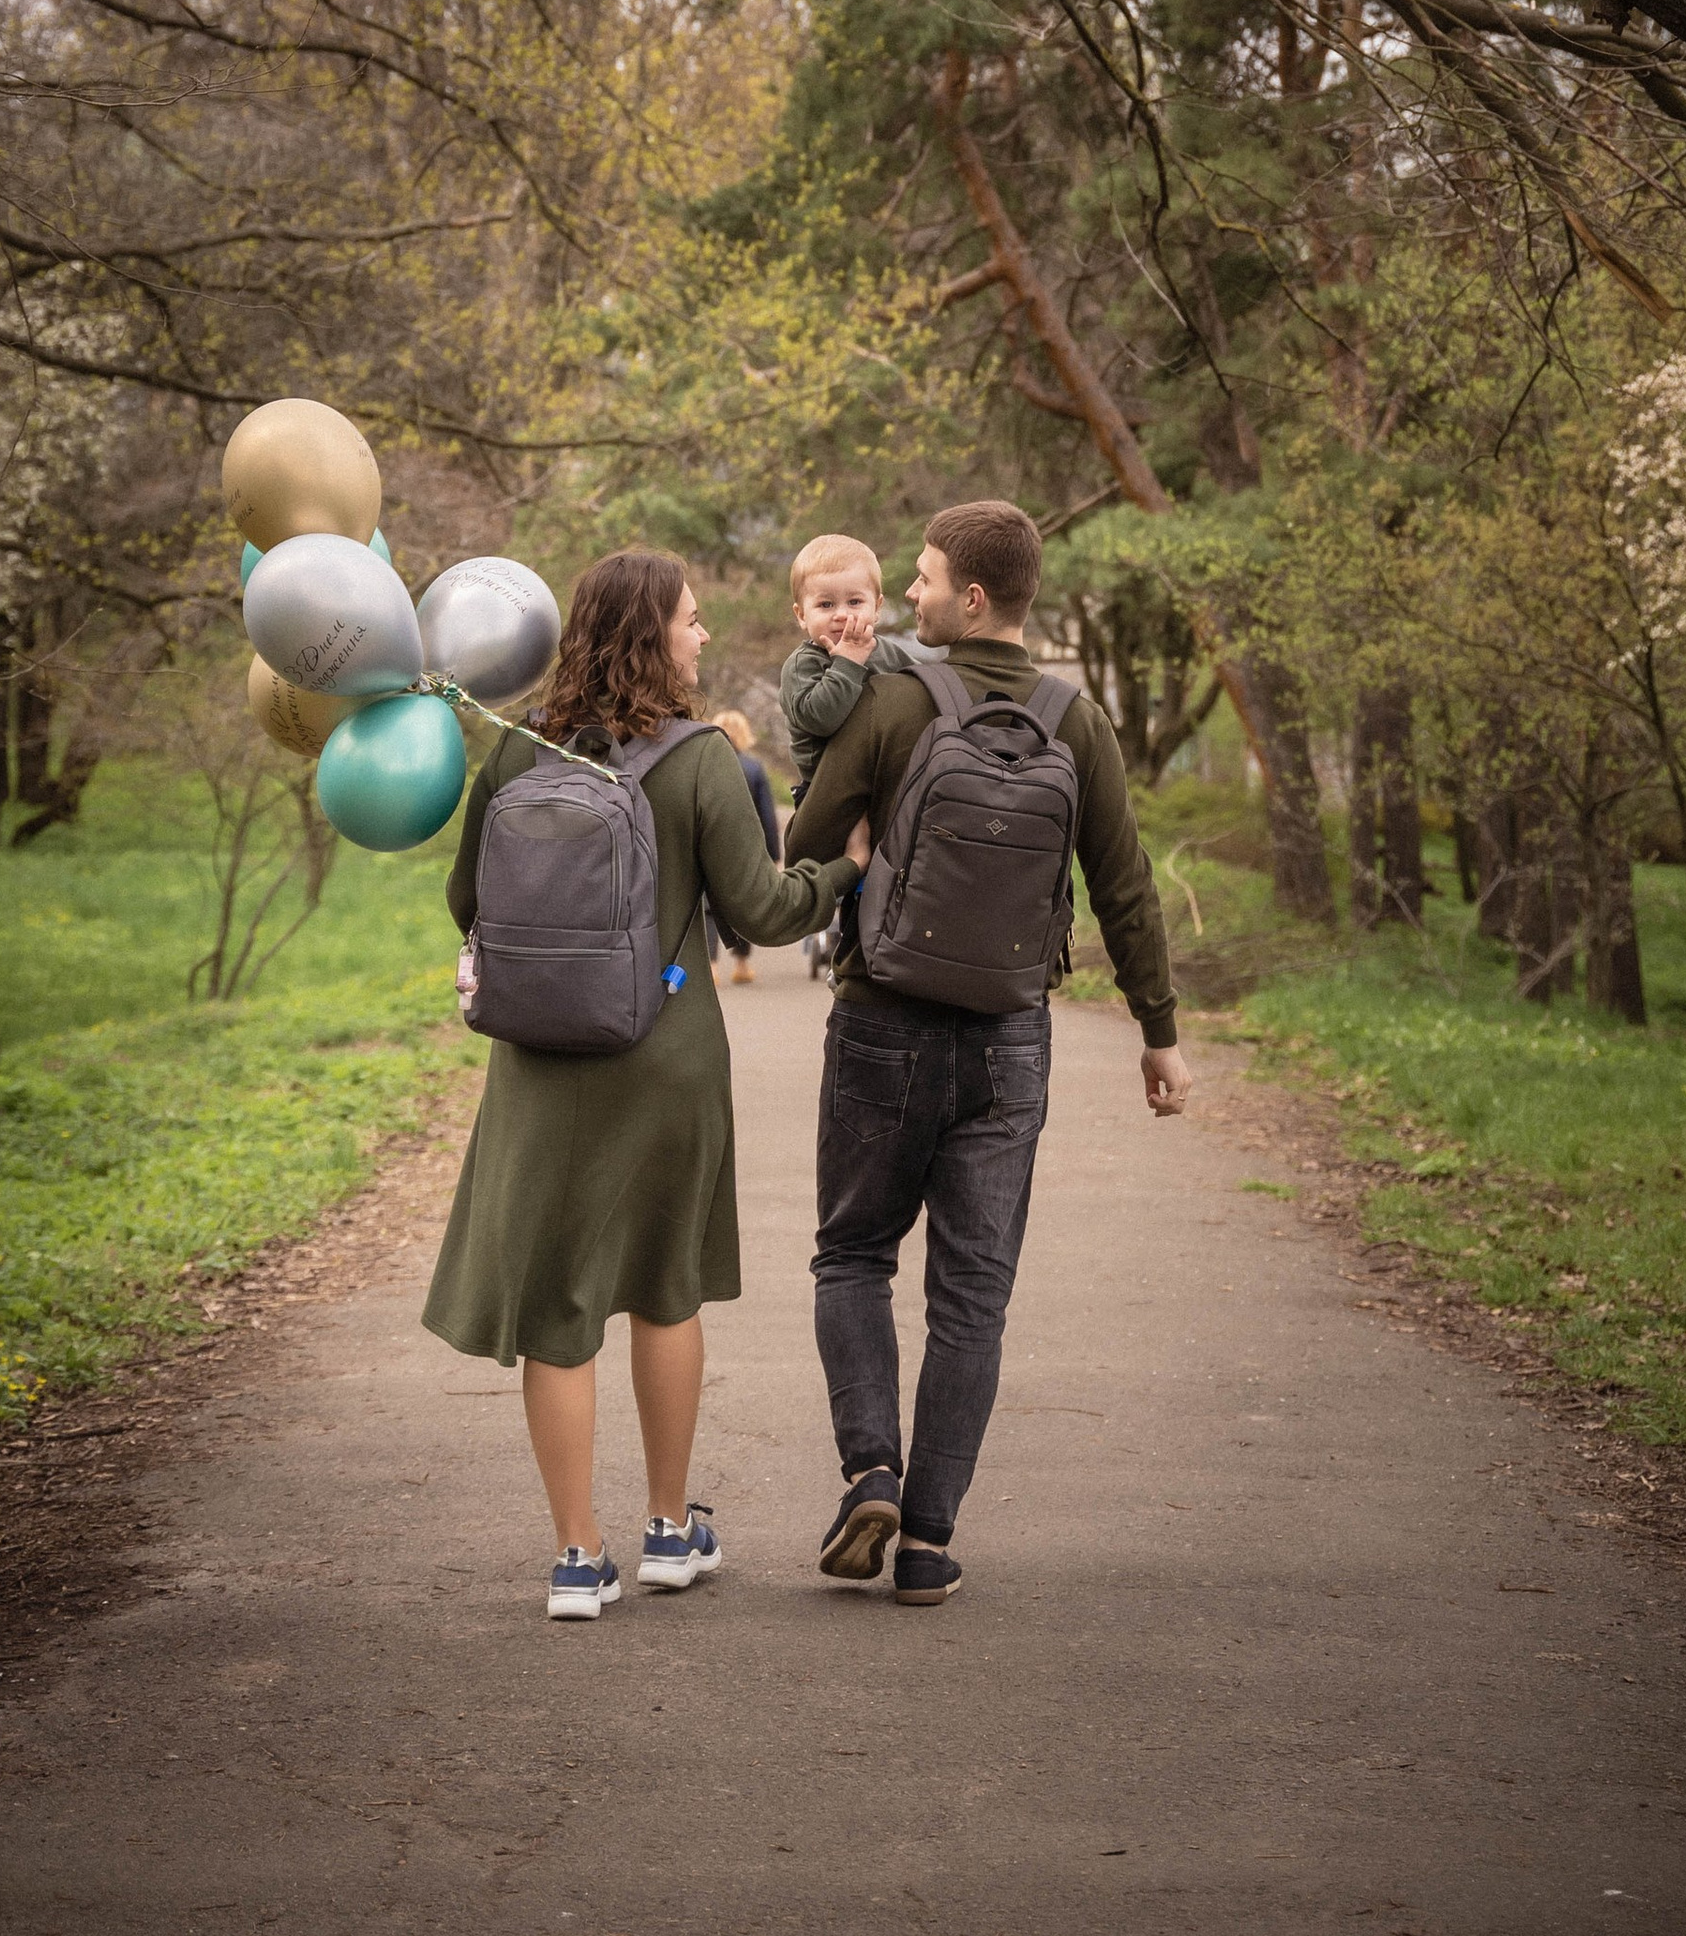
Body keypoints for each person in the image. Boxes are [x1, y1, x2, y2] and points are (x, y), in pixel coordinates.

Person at [424, 549, 868, 1622]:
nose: (704, 634)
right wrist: (843, 866)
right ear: (652, 635)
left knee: (558, 1308)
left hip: (539, 1066)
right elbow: (762, 911)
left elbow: (463, 899)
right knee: (665, 1290)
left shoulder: (520, 753)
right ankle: (669, 1531)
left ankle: (577, 1557)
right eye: (692, 619)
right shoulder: (701, 759)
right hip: (664, 1055)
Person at [783, 497, 1191, 1610]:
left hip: (883, 1020)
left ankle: (869, 1467)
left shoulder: (895, 701)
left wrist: (842, 854)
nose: (905, 597)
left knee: (853, 1255)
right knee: (973, 1296)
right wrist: (1157, 1035)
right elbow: (1124, 887)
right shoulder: (1079, 719)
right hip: (1012, 1038)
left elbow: (804, 844)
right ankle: (926, 1540)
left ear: (969, 598)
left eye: (918, 580)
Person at [778, 530, 929, 797]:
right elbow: (821, 719)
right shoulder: (803, 665)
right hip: (825, 789)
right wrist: (847, 661)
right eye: (825, 604)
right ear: (801, 615)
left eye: (855, 602)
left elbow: (927, 683)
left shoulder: (887, 652)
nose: (842, 614)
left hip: (881, 783)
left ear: (877, 607)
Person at [709, 706, 781, 984]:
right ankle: (740, 964)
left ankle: (712, 966)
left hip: (711, 842)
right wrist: (773, 854)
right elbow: (767, 815)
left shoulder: (707, 765)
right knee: (741, 904)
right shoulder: (753, 768)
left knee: (708, 908)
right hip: (745, 849)